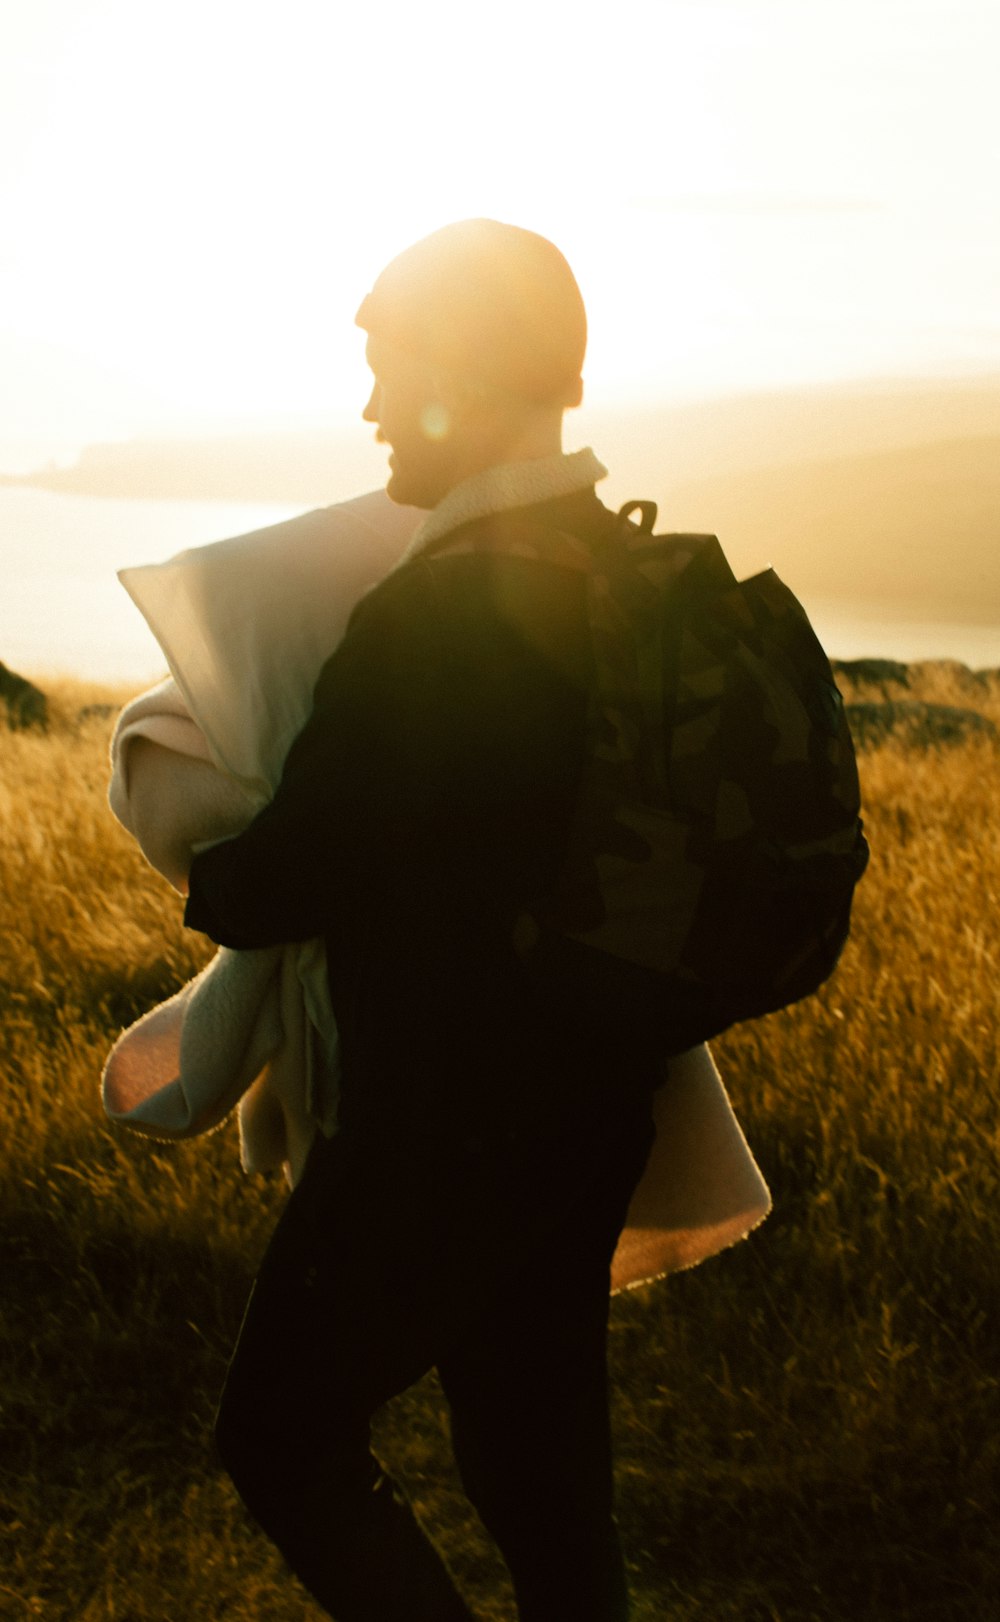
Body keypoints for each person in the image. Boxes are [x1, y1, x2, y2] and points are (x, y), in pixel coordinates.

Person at [180, 219, 747, 1621]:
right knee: (538, 1478)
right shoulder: (619, 572)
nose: (373, 409)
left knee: (281, 1437)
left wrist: (198, 850)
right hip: (590, 1105)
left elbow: (289, 873)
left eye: (391, 370)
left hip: (438, 1127)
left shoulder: (438, 617)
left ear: (472, 376)